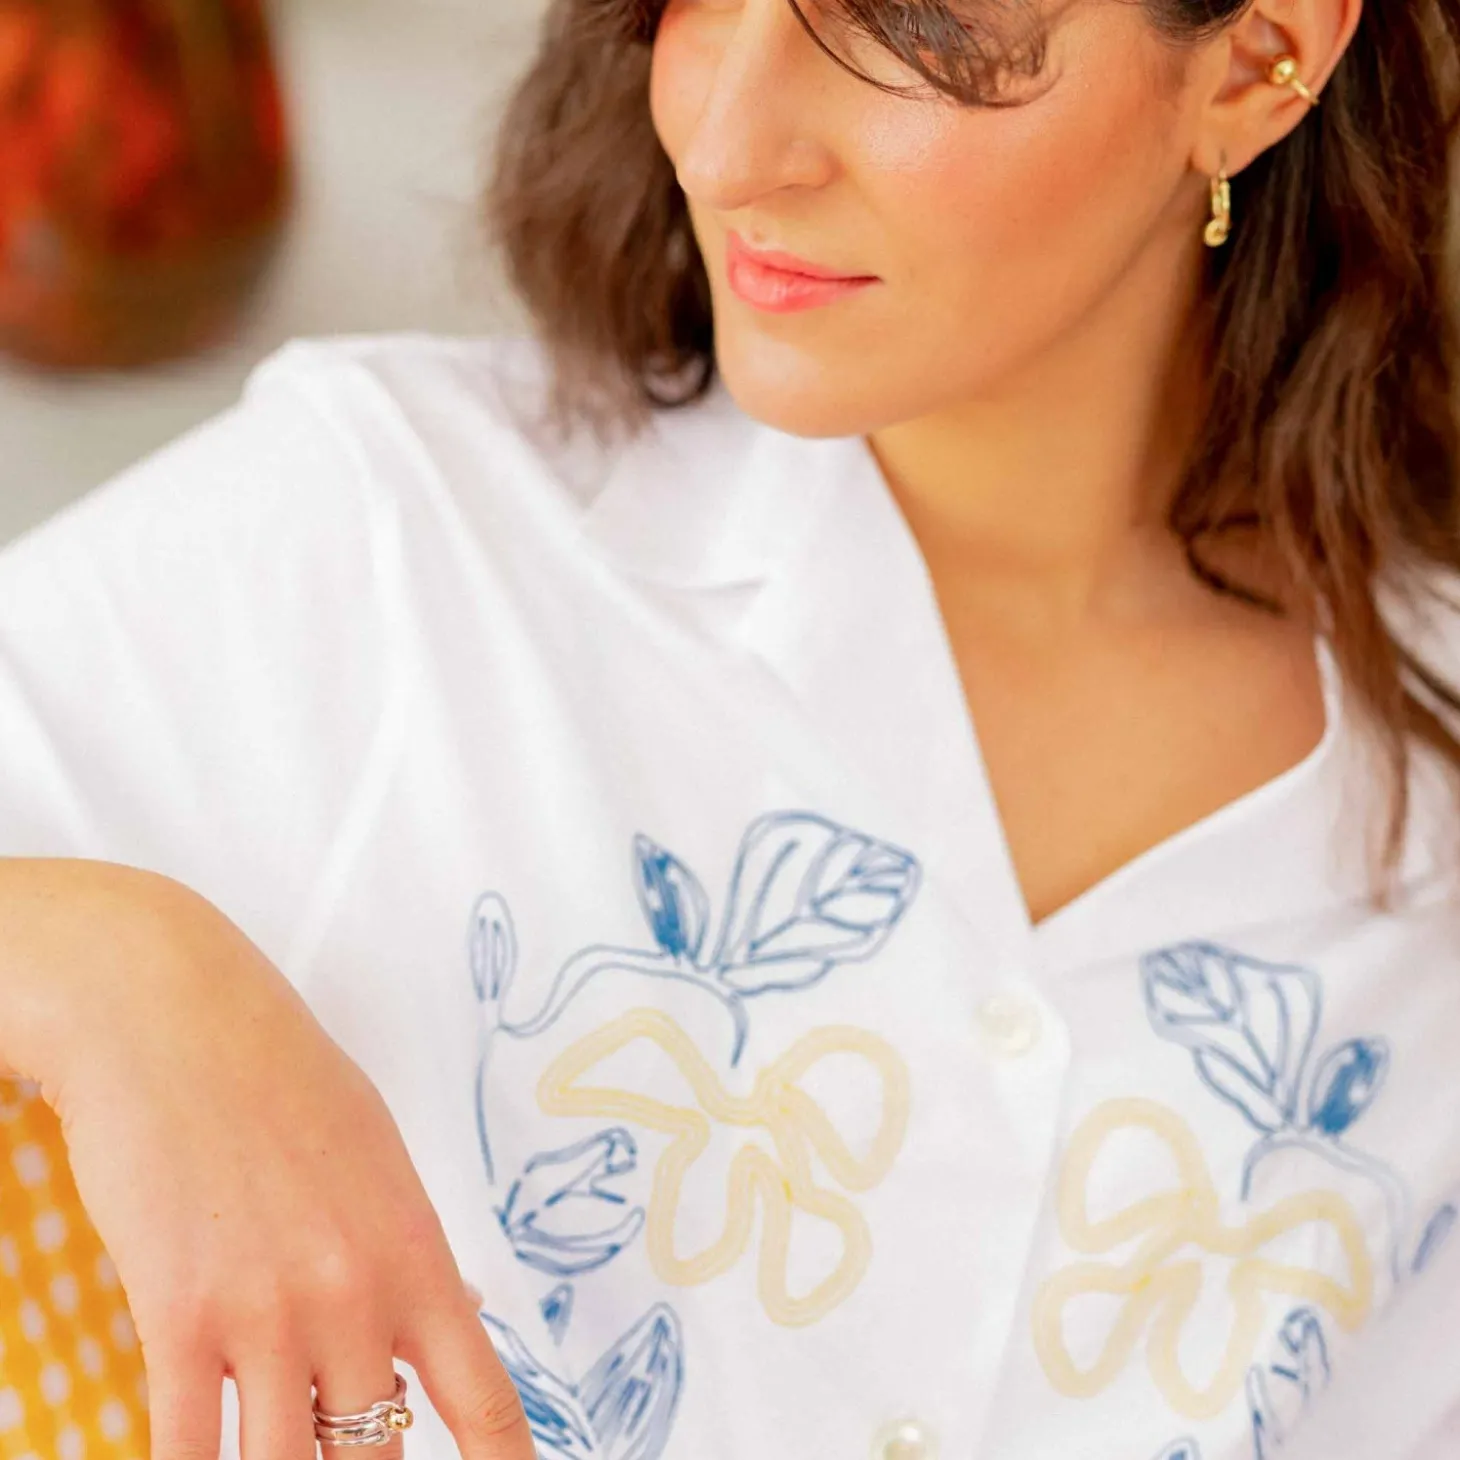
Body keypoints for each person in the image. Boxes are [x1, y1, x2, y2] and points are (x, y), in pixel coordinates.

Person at [0, 0, 1457, 1457]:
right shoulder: (404, 534)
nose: (724, 145)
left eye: (907, 21)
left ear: (1259, 58)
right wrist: (118, 966)